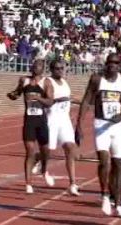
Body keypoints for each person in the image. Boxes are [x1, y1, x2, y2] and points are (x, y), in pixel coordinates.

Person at [76, 53, 121, 218]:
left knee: (117, 166)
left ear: (120, 65)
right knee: (104, 161)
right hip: (101, 125)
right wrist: (79, 124)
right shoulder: (96, 79)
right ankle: (104, 195)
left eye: (116, 63)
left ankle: (118, 204)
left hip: (119, 127)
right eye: (110, 62)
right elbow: (87, 100)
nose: (112, 65)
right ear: (106, 64)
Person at [7, 59, 55, 194]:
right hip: (29, 120)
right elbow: (16, 93)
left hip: (41, 120)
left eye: (38, 66)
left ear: (42, 69)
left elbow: (50, 101)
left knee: (45, 151)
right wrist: (12, 95)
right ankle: (28, 184)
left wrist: (38, 99)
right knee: (30, 151)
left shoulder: (46, 82)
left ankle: (44, 171)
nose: (34, 68)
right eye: (33, 65)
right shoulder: (24, 80)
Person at [45, 60, 80, 196]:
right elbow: (49, 99)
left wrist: (85, 101)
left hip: (65, 120)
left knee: (70, 148)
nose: (60, 70)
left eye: (61, 68)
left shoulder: (64, 82)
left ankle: (72, 183)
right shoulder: (48, 82)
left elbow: (69, 98)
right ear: (52, 69)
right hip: (52, 120)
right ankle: (42, 167)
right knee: (48, 150)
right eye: (57, 68)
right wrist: (57, 99)